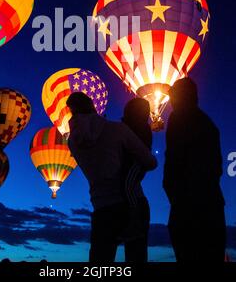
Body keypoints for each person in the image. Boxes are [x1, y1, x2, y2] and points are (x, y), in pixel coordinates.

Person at [67, 92, 157, 262]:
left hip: (102, 208)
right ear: (94, 106)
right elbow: (151, 162)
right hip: (133, 204)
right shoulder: (117, 129)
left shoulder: (72, 142)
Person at [163, 78, 226, 262]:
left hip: (188, 207)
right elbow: (217, 167)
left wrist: (175, 196)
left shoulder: (179, 118)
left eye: (173, 95)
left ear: (179, 96)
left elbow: (174, 160)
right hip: (212, 204)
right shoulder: (209, 124)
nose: (171, 101)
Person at [121, 98, 153, 262]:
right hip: (135, 199)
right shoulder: (142, 131)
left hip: (130, 200)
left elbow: (140, 166)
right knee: (136, 252)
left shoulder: (127, 131)